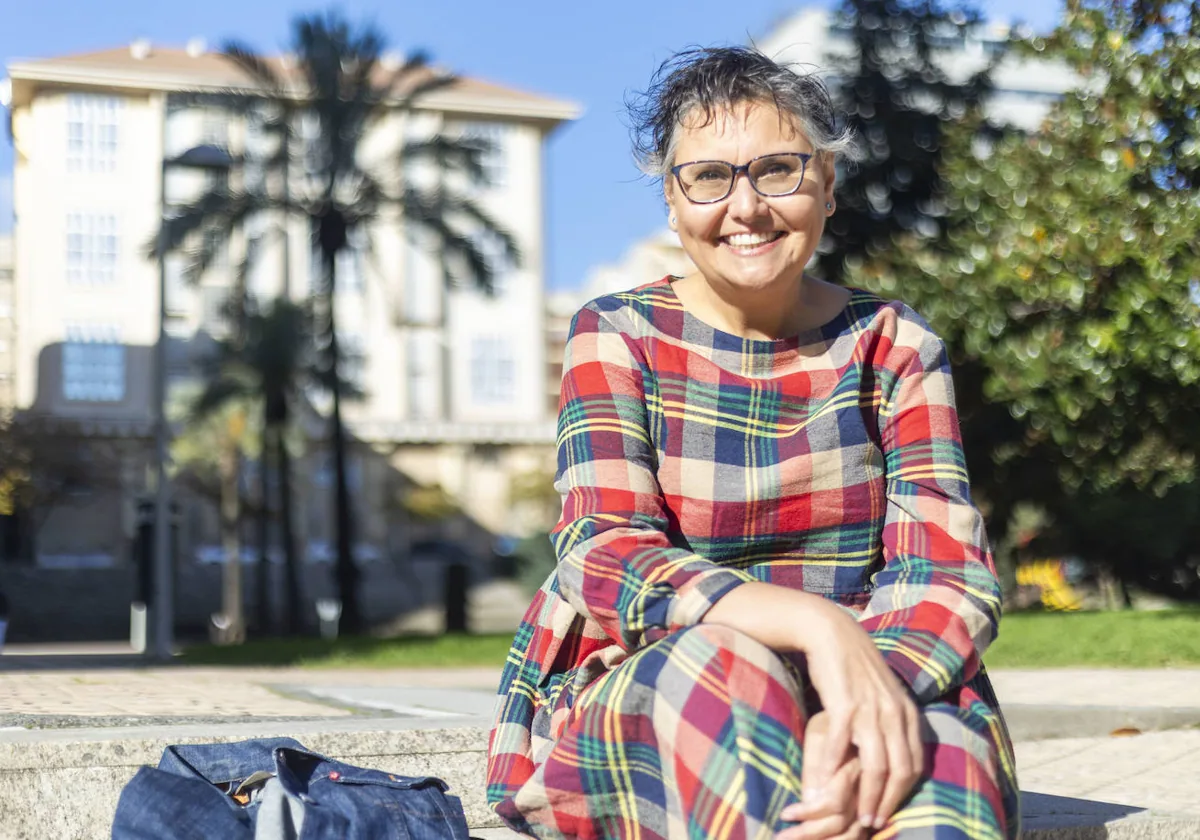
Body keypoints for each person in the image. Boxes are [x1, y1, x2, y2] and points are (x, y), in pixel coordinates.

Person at [487, 46, 1018, 840]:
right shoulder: (619, 334)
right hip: (666, 671)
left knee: (941, 775)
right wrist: (815, 626)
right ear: (672, 201)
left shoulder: (895, 344)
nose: (747, 207)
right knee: (726, 682)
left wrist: (861, 695)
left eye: (778, 170)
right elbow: (604, 554)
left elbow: (943, 570)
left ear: (828, 186)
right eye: (709, 177)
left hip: (877, 665)